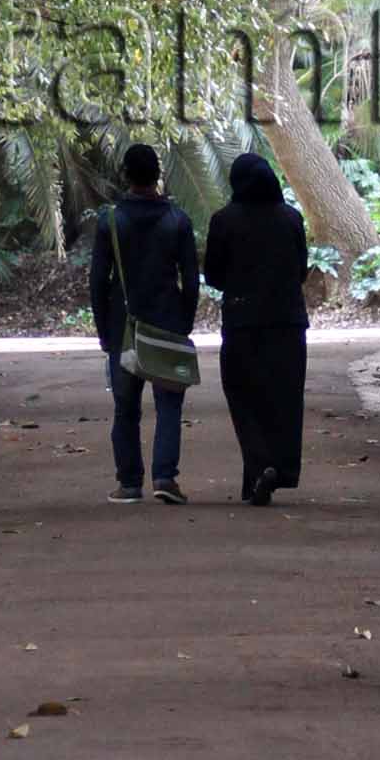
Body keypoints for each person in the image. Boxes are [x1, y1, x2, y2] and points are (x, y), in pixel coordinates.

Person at [87, 141, 200, 504]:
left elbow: (97, 281)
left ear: (125, 175)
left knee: (126, 409)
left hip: (124, 326)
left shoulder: (111, 221)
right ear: (158, 175)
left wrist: (105, 332)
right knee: (169, 405)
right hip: (167, 323)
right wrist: (185, 322)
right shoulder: (177, 221)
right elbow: (191, 280)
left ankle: (130, 483)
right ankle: (165, 477)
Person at [204, 148, 310, 504]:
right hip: (288, 324)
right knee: (284, 399)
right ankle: (279, 469)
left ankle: (260, 466)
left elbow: (214, 275)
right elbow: (301, 271)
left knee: (244, 398)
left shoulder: (223, 220)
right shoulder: (291, 218)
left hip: (242, 324)